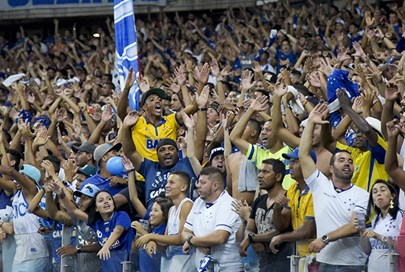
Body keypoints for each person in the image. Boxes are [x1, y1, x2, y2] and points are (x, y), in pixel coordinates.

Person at [298, 103, 369, 271]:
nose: (347, 164)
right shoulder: (319, 184)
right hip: (324, 263)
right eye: (341, 160)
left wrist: (324, 238)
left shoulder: (363, 194)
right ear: (330, 168)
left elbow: (355, 226)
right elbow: (303, 154)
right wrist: (310, 123)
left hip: (352, 265)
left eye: (350, 161)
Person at [121, 111, 200, 217]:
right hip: (153, 221)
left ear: (178, 153)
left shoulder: (185, 164)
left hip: (179, 217)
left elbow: (194, 151)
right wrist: (126, 128)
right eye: (162, 150)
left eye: (171, 149)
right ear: (157, 155)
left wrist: (190, 129)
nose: (167, 152)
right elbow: (130, 152)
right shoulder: (150, 168)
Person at [182, 167, 243, 271]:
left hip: (227, 267)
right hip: (204, 267)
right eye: (198, 182)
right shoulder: (198, 202)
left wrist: (192, 241)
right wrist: (196, 242)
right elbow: (185, 232)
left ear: (215, 186)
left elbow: (219, 237)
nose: (198, 186)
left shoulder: (229, 203)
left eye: (203, 183)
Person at [132, 171, 194, 271]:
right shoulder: (171, 210)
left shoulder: (187, 204)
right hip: (170, 257)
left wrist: (150, 236)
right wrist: (152, 242)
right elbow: (165, 244)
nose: (166, 186)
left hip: (184, 257)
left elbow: (181, 239)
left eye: (171, 182)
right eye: (167, 182)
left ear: (183, 187)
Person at [239, 158, 292, 271]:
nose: (259, 175)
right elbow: (250, 228)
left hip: (282, 262)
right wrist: (253, 239)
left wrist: (252, 238)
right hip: (263, 263)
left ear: (278, 177)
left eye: (265, 172)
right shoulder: (259, 200)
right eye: (260, 171)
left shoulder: (288, 198)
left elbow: (280, 231)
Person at [270, 147, 318, 271]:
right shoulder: (292, 188)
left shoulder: (316, 190)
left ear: (307, 164)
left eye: (294, 162)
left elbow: (307, 230)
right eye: (290, 161)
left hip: (317, 255)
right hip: (299, 253)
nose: (290, 166)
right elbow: (282, 226)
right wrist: (276, 209)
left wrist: (281, 237)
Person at [361, 180, 403, 272]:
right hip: (372, 268)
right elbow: (367, 251)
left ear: (392, 195)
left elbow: (402, 247)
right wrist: (362, 233)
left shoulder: (400, 215)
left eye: (383, 190)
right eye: (375, 192)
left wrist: (377, 236)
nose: (378, 194)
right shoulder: (375, 219)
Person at [133, 196, 173, 272]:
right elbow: (134, 251)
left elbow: (162, 249)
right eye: (151, 210)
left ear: (164, 215)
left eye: (156, 210)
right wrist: (137, 237)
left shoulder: (165, 230)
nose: (151, 213)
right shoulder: (151, 230)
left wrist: (143, 232)